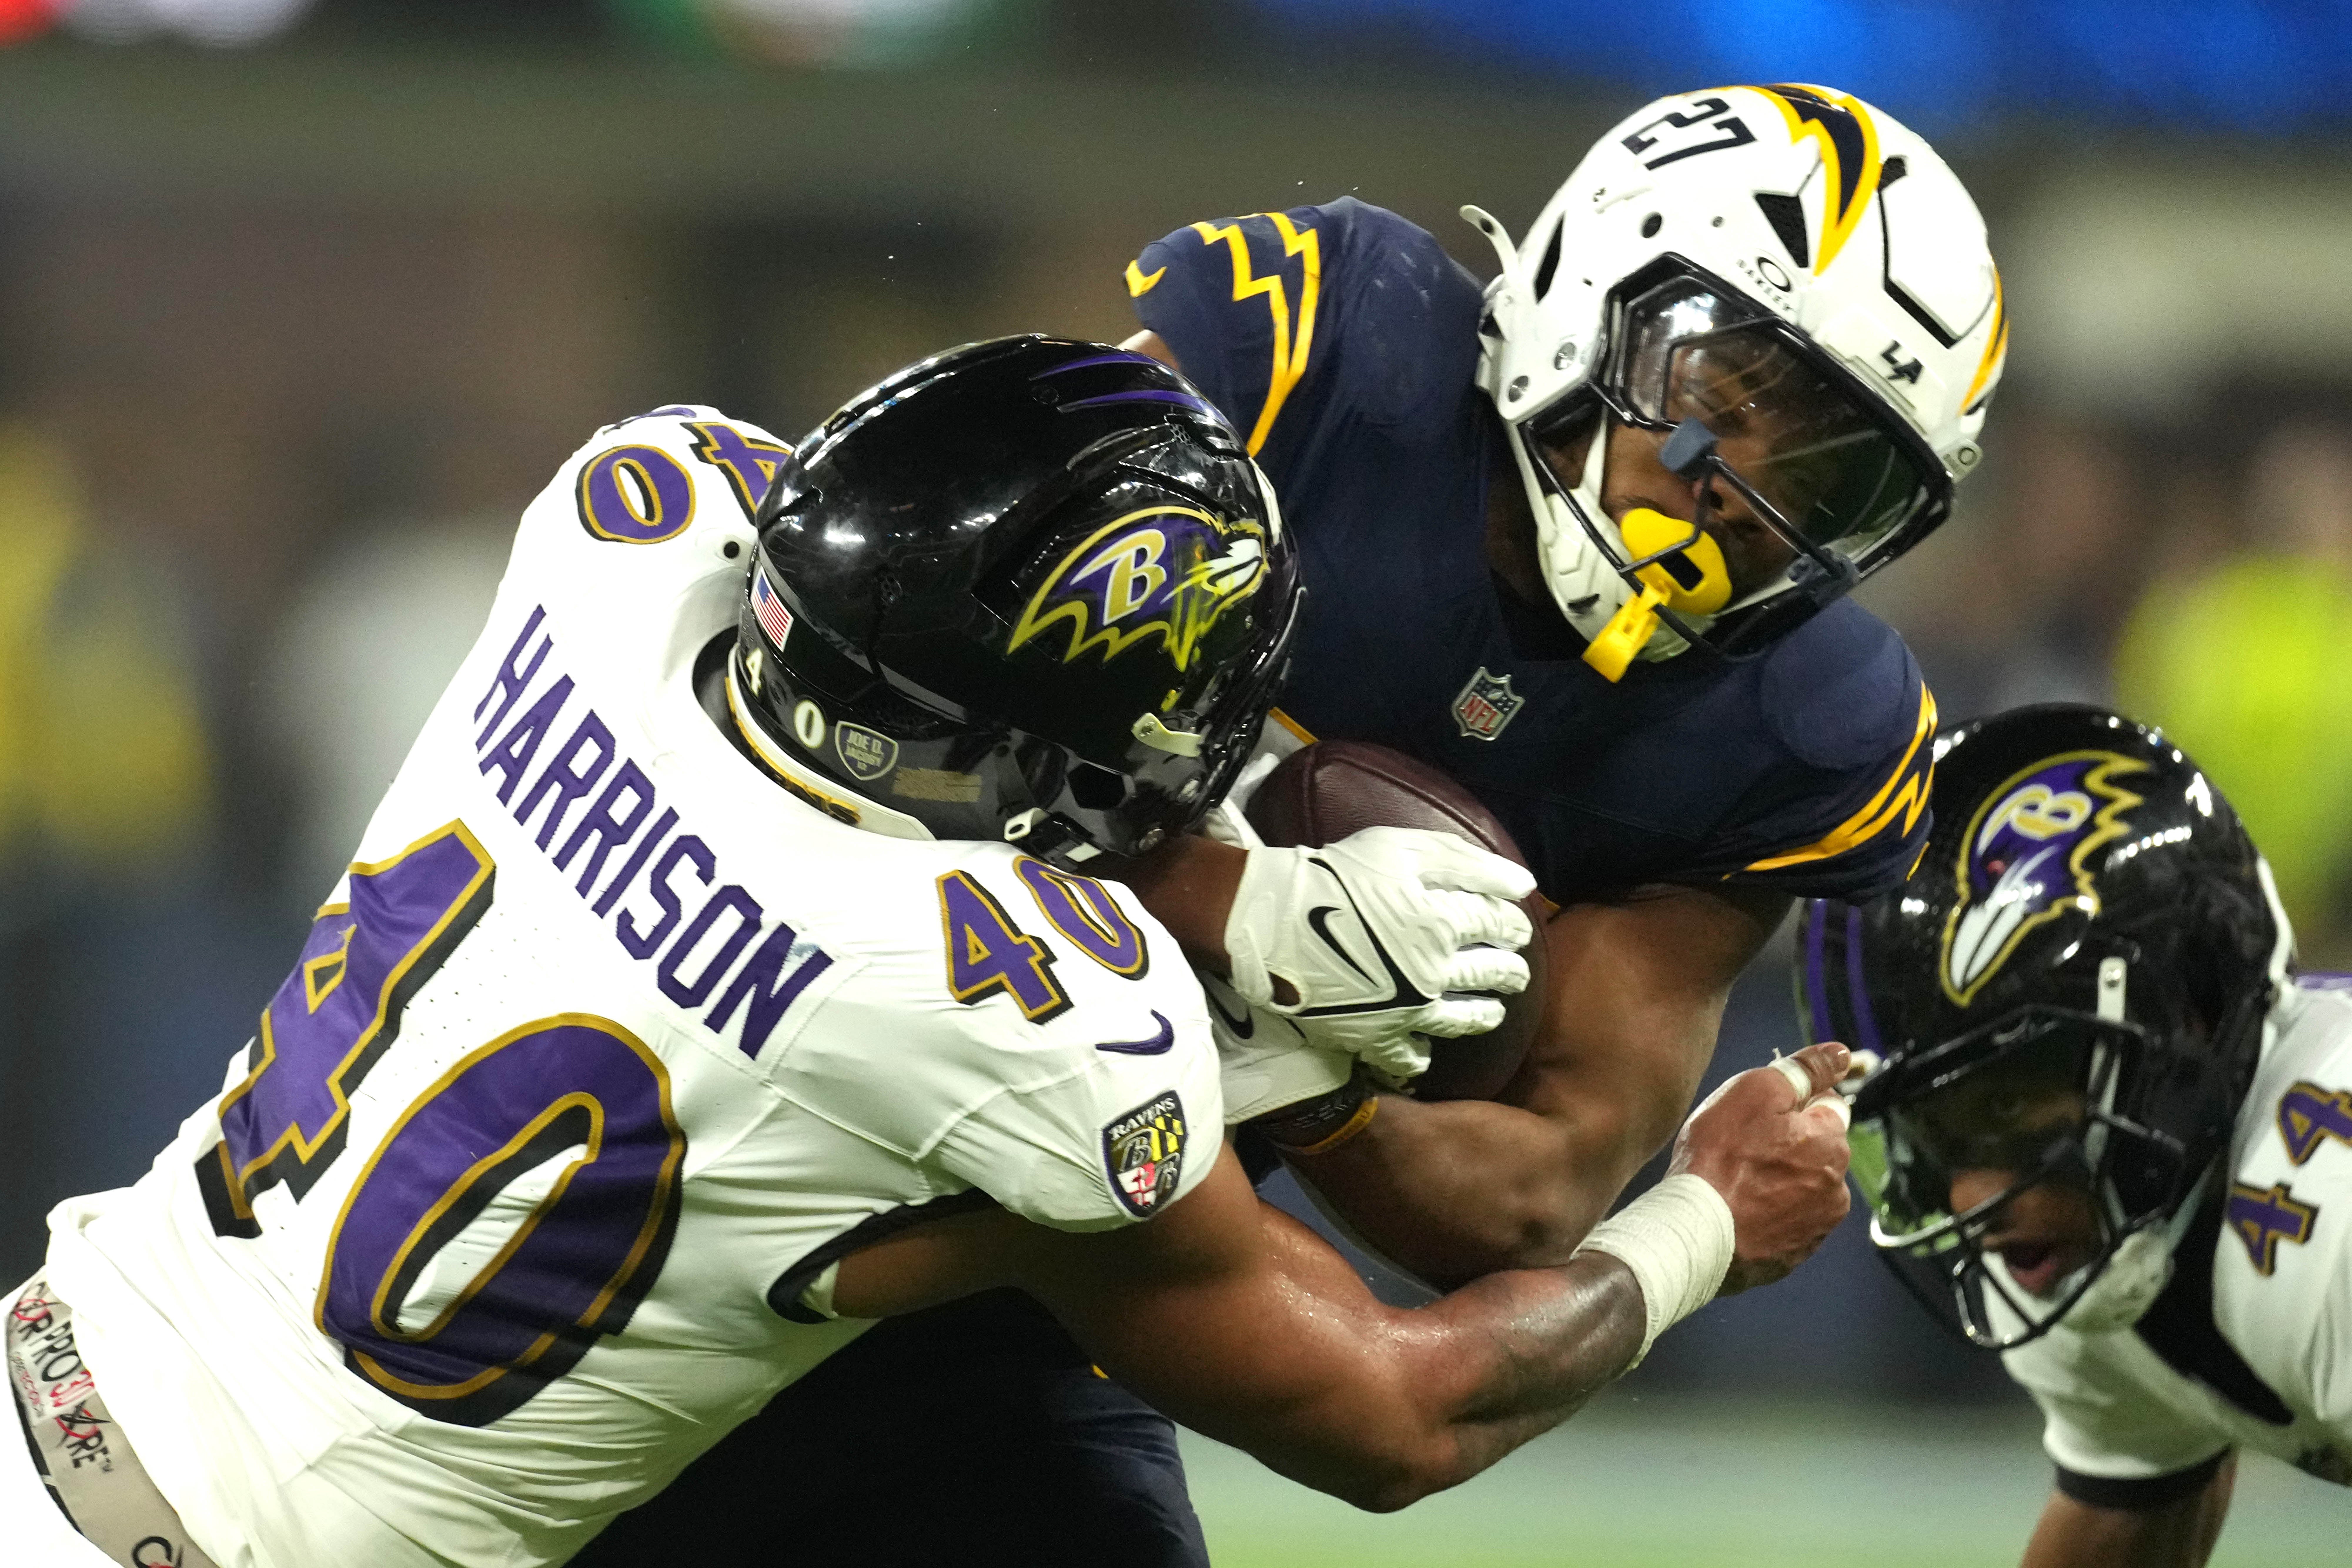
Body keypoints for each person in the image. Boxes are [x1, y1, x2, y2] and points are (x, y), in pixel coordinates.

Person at [0, 337, 1855, 1568]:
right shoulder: (1005, 1010)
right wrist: (1702, 1217)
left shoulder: (621, 524)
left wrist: (1230, 938)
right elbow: (1394, 1412)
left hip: (48, 1369)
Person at [587, 82, 2008, 1567]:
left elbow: (1528, 1196)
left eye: (1827, 486)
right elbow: (882, 686)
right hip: (743, 1127)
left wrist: (1302, 1080)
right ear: (1598, 288)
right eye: (1720, 405)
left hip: (1067, 1274)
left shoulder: (1799, 725)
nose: (1736, 509)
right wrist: (1227, 900)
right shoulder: (1332, 350)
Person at [1798, 703, 2347, 1568]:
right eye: (1932, 1134)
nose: (1975, 1199)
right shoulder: (2104, 1228)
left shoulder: (2330, 1226)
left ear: (2194, 1017)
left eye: (2009, 1109)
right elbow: (2128, 1516)